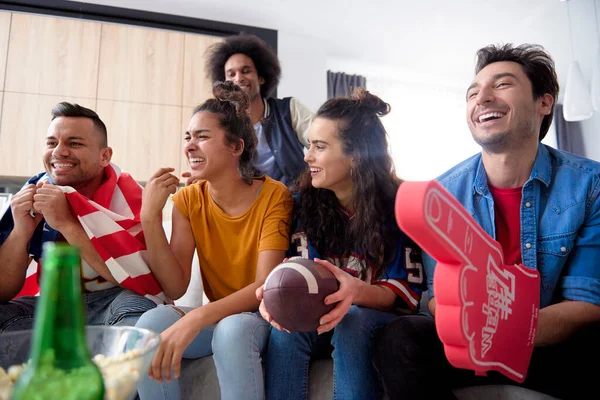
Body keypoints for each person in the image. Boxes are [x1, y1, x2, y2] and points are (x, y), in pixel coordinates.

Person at [372, 43, 600, 400]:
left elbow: (586, 302)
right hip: (469, 347)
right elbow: (436, 295)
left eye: (502, 84)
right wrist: (473, 328)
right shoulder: (443, 195)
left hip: (550, 346)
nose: (483, 98)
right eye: (473, 93)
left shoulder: (590, 185)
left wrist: (504, 334)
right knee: (400, 338)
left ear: (544, 102)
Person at [256, 88, 426, 400]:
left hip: (372, 322)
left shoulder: (401, 204)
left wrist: (355, 292)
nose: (307, 156)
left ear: (356, 155)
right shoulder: (298, 205)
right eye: (309, 145)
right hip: (320, 319)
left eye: (319, 147)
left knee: (353, 319)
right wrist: (274, 295)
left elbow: (401, 296)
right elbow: (290, 277)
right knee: (285, 329)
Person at [134, 81, 292, 400]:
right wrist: (149, 217)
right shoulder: (188, 200)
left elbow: (263, 286)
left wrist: (198, 316)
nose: (190, 146)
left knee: (232, 330)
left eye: (202, 137)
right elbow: (176, 286)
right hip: (219, 317)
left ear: (236, 147)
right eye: (188, 137)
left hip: (262, 317)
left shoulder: (275, 195)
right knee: (148, 326)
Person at [0, 102, 159, 332]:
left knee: (142, 310)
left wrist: (66, 223)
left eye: (74, 143)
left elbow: (141, 282)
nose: (59, 151)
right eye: (52, 143)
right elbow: (3, 291)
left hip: (113, 301)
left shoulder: (132, 200)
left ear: (104, 156)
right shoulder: (34, 191)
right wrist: (21, 231)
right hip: (52, 305)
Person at [205, 33, 314, 186]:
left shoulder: (289, 109)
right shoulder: (222, 124)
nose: (238, 78)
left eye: (246, 71)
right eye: (231, 74)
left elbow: (323, 141)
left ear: (261, 78)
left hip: (298, 204)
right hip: (249, 206)